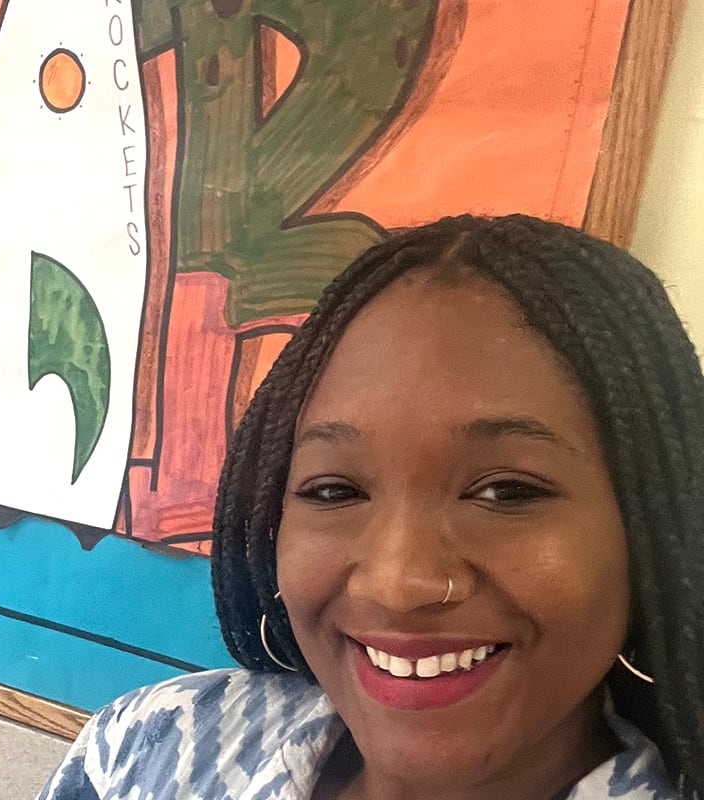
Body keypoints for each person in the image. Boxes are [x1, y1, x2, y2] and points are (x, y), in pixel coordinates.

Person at [40, 215, 703, 799]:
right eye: (335, 491)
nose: (400, 583)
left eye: (507, 491)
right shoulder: (146, 753)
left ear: (648, 531)